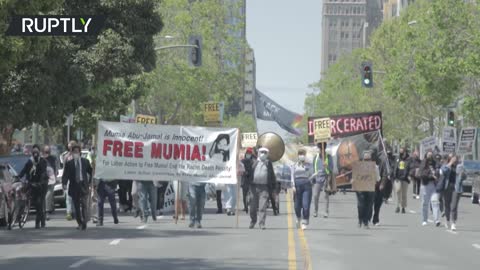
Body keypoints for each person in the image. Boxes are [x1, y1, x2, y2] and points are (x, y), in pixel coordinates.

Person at [62, 145, 93, 230]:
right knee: (76, 206)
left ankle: (84, 222)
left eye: (77, 152)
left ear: (80, 152)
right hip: (74, 186)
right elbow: (65, 175)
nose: (76, 153)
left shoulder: (85, 162)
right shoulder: (69, 163)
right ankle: (79, 222)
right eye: (74, 152)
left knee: (84, 205)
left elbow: (91, 172)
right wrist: (64, 183)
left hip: (83, 185)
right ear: (72, 153)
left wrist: (90, 182)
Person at [18, 144, 48, 229]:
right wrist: (19, 177)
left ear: (39, 152)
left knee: (39, 203)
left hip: (41, 185)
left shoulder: (42, 161)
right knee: (35, 203)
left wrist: (41, 183)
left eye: (37, 152)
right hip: (32, 184)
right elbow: (24, 170)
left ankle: (38, 222)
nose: (35, 153)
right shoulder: (29, 161)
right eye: (33, 152)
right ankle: (41, 219)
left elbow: (43, 173)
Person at [249, 147, 277, 230]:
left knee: (262, 207)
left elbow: (272, 176)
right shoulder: (253, 162)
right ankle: (253, 221)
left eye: (265, 152)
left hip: (264, 188)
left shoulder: (268, 164)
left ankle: (262, 223)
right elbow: (248, 173)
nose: (263, 154)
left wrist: (274, 188)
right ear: (258, 153)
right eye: (262, 152)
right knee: (253, 207)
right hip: (254, 187)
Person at [291, 149, 317, 230]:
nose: (302, 155)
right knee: (297, 206)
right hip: (297, 185)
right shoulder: (294, 165)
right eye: (300, 154)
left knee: (306, 205)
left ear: (305, 156)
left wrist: (313, 177)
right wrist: (293, 186)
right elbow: (292, 176)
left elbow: (312, 175)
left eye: (303, 154)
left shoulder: (309, 165)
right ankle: (298, 218)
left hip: (306, 185)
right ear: (298, 155)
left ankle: (305, 221)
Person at [355, 151, 380, 229]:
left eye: (368, 159)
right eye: (365, 159)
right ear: (362, 159)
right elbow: (355, 178)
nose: (367, 161)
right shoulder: (358, 166)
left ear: (371, 159)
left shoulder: (375, 167)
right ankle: (360, 220)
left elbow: (378, 178)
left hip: (370, 188)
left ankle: (366, 222)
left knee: (368, 206)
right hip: (360, 189)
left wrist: (374, 180)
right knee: (361, 205)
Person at [312, 142, 333, 218]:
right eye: (319, 149)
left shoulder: (329, 157)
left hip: (326, 178)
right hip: (317, 179)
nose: (321, 150)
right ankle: (315, 210)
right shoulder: (316, 157)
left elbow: (331, 169)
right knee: (315, 195)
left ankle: (326, 212)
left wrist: (326, 166)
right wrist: (313, 178)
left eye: (322, 149)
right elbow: (313, 168)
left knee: (326, 196)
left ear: (324, 149)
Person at [419, 151, 438, 226]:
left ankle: (436, 220)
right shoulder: (424, 162)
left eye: (431, 155)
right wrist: (431, 176)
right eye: (428, 155)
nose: (430, 156)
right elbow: (422, 173)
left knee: (435, 201)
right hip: (425, 184)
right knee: (425, 203)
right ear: (426, 155)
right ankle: (424, 220)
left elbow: (438, 169)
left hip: (434, 185)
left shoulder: (435, 162)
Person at [60, 140, 77, 221]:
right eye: (69, 147)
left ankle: (74, 211)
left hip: (76, 178)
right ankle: (69, 212)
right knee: (68, 196)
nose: (70, 149)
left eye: (71, 147)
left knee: (75, 196)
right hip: (69, 178)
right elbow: (64, 168)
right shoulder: (66, 156)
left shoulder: (77, 155)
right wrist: (63, 180)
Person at [449, 158, 467, 231]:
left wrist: (462, 174)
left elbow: (465, 177)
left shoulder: (460, 167)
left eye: (455, 160)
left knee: (454, 206)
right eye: (453, 160)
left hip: (456, 189)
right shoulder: (448, 166)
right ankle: (447, 217)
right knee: (447, 204)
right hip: (447, 188)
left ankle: (453, 223)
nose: (454, 161)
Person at [43, 145, 58, 220]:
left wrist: (55, 175)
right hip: (42, 179)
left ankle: (46, 211)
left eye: (48, 151)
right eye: (46, 151)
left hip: (51, 179)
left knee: (48, 195)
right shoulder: (41, 159)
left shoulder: (53, 158)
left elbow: (56, 167)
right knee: (44, 196)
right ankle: (44, 210)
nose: (47, 153)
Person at [394, 147, 410, 214]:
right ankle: (397, 205)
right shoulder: (397, 158)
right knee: (397, 191)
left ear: (405, 152)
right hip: (398, 178)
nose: (401, 153)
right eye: (400, 152)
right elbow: (394, 166)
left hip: (405, 178)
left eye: (402, 152)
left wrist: (409, 175)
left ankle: (403, 207)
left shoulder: (408, 159)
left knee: (404, 193)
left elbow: (411, 167)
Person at [241, 147, 255, 213]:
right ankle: (245, 207)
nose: (248, 154)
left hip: (252, 180)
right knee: (244, 195)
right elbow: (240, 169)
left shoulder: (254, 161)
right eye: (247, 153)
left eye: (249, 153)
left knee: (253, 194)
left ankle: (253, 206)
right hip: (244, 180)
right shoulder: (242, 161)